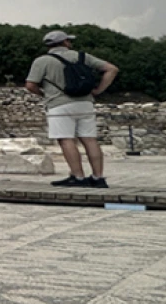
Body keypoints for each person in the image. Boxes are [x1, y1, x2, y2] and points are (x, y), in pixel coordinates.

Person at [25, 30, 118, 188]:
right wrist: (98, 90)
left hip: (58, 104)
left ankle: (78, 176)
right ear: (65, 42)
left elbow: (30, 84)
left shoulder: (42, 61)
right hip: (85, 102)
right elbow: (112, 69)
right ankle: (98, 177)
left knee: (66, 139)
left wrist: (44, 94)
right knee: (90, 139)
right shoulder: (82, 56)